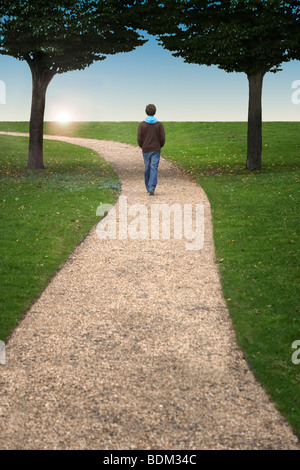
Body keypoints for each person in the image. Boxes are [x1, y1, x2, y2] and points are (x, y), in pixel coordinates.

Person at [137, 104, 165, 195]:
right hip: (156, 149)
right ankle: (151, 187)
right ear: (155, 112)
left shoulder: (142, 125)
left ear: (146, 112)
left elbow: (139, 138)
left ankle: (148, 187)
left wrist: (142, 145)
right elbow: (162, 138)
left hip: (146, 149)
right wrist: (159, 146)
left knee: (147, 167)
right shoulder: (159, 125)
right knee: (154, 167)